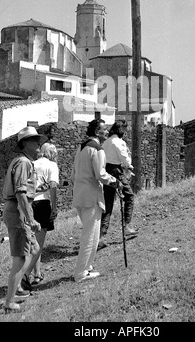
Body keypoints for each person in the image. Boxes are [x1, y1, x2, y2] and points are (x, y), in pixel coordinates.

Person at [2, 126, 47, 313]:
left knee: (35, 248)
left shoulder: (20, 161)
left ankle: (19, 286)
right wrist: (30, 219)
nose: (39, 144)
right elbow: (20, 192)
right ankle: (9, 301)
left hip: (17, 208)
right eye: (35, 141)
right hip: (19, 209)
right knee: (20, 258)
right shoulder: (24, 163)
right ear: (25, 144)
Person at [71, 118, 118, 282]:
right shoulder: (97, 149)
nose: (107, 132)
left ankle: (87, 267)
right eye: (105, 129)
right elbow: (100, 174)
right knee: (90, 235)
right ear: (98, 131)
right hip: (91, 196)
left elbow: (74, 173)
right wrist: (114, 181)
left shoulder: (81, 147)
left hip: (79, 194)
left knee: (92, 233)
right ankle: (80, 272)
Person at [98, 120, 137, 250]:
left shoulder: (106, 142)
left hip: (106, 170)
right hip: (116, 171)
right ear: (122, 130)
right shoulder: (119, 142)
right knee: (129, 196)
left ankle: (101, 236)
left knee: (108, 203)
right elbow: (125, 159)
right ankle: (127, 226)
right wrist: (129, 165)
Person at [28, 143, 59, 285]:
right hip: (43, 203)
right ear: (52, 154)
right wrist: (54, 206)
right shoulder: (51, 165)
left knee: (32, 241)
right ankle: (24, 276)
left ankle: (37, 273)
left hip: (28, 203)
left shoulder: (31, 164)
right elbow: (53, 185)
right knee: (39, 243)